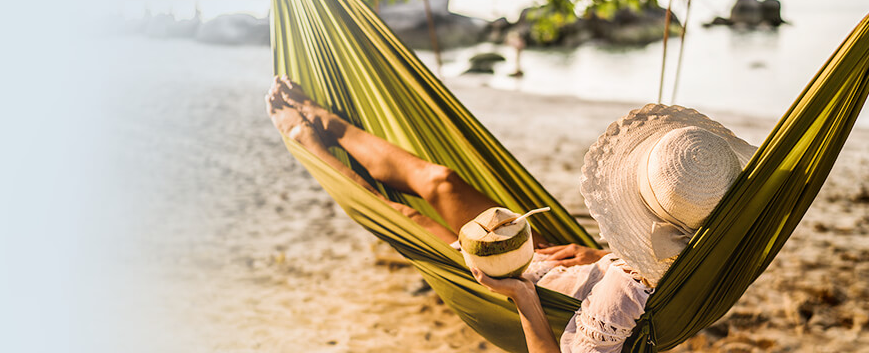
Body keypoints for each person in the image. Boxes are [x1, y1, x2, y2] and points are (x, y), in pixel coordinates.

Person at [266, 76, 755, 353]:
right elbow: (649, 268)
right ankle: (331, 122)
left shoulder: (620, 301)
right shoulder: (703, 239)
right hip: (561, 263)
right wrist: (605, 255)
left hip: (525, 281)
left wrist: (520, 294)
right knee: (441, 181)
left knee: (408, 219)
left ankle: (310, 142)